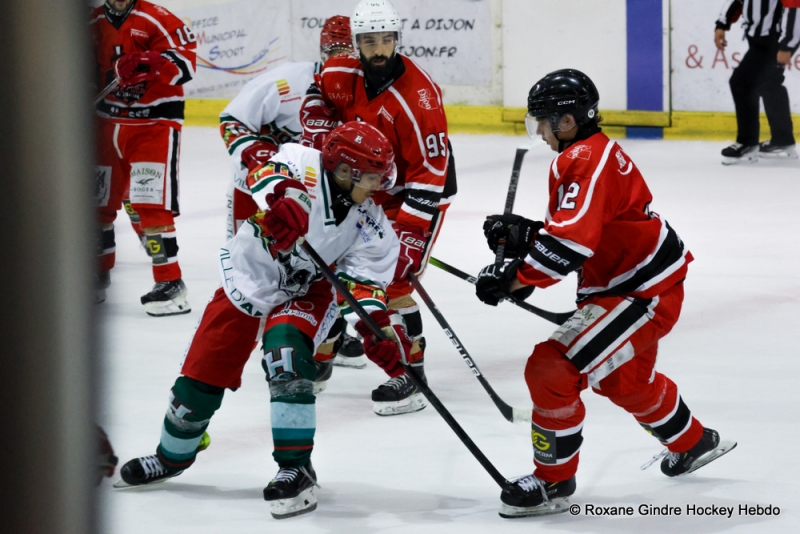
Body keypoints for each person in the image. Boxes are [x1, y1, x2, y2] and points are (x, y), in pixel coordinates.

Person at [474, 69, 737, 518]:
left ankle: (553, 481)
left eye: (543, 121)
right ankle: (694, 442)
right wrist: (531, 237)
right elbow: (585, 231)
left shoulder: (580, 161)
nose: (538, 129)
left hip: (640, 293)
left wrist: (513, 279)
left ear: (568, 121)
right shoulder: (589, 153)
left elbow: (570, 245)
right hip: (644, 281)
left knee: (551, 368)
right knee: (624, 380)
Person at [117, 122, 411, 520]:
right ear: (345, 171)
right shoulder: (299, 162)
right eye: (372, 177)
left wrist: (376, 330)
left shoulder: (372, 225)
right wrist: (285, 194)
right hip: (250, 275)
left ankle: (296, 466)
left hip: (308, 291)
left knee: (285, 357)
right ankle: (172, 457)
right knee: (201, 378)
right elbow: (260, 165)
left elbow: (362, 287)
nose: (379, 186)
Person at [300, 0, 457, 415]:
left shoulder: (419, 100)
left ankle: (410, 374)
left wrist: (407, 234)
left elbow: (431, 175)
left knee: (391, 285)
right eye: (369, 41)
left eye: (386, 39)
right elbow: (317, 93)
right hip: (365, 189)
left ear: (397, 39)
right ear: (356, 44)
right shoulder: (341, 72)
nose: (379, 49)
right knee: (332, 270)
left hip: (412, 190)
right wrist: (316, 118)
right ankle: (321, 360)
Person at [219, 15, 367, 368]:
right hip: (260, 193)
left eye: (347, 50)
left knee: (321, 270)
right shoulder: (288, 81)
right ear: (321, 49)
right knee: (252, 270)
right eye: (333, 49)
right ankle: (242, 343)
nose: (339, 57)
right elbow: (232, 121)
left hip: (321, 201)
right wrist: (260, 158)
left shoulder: (365, 92)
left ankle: (324, 333)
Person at [91, 0, 197, 315]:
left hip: (153, 125)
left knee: (150, 207)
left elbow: (187, 65)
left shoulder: (158, 19)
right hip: (106, 124)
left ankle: (170, 282)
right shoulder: (90, 22)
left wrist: (151, 63)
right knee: (97, 205)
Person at [716, 0, 800, 164]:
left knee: (740, 83)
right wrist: (722, 24)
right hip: (757, 39)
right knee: (770, 84)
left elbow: (795, 7)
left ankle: (747, 142)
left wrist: (787, 45)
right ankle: (782, 139)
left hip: (773, 41)